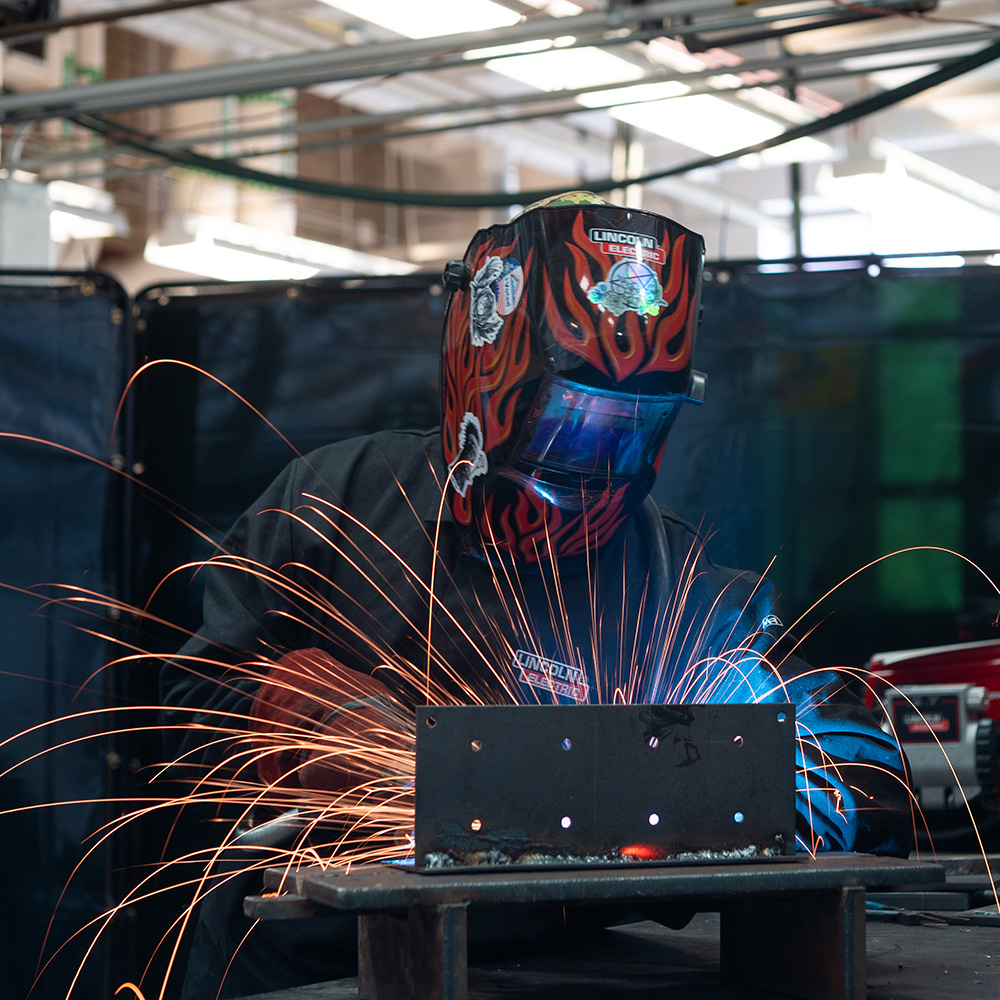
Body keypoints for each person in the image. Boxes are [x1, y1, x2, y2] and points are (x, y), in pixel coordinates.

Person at [161, 192, 913, 997]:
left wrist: (775, 772)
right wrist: (291, 712)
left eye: (630, 427)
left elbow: (846, 774)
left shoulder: (669, 578)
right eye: (572, 421)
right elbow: (184, 709)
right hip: (313, 968)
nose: (596, 456)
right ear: (488, 378)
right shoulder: (334, 503)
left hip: (552, 975)